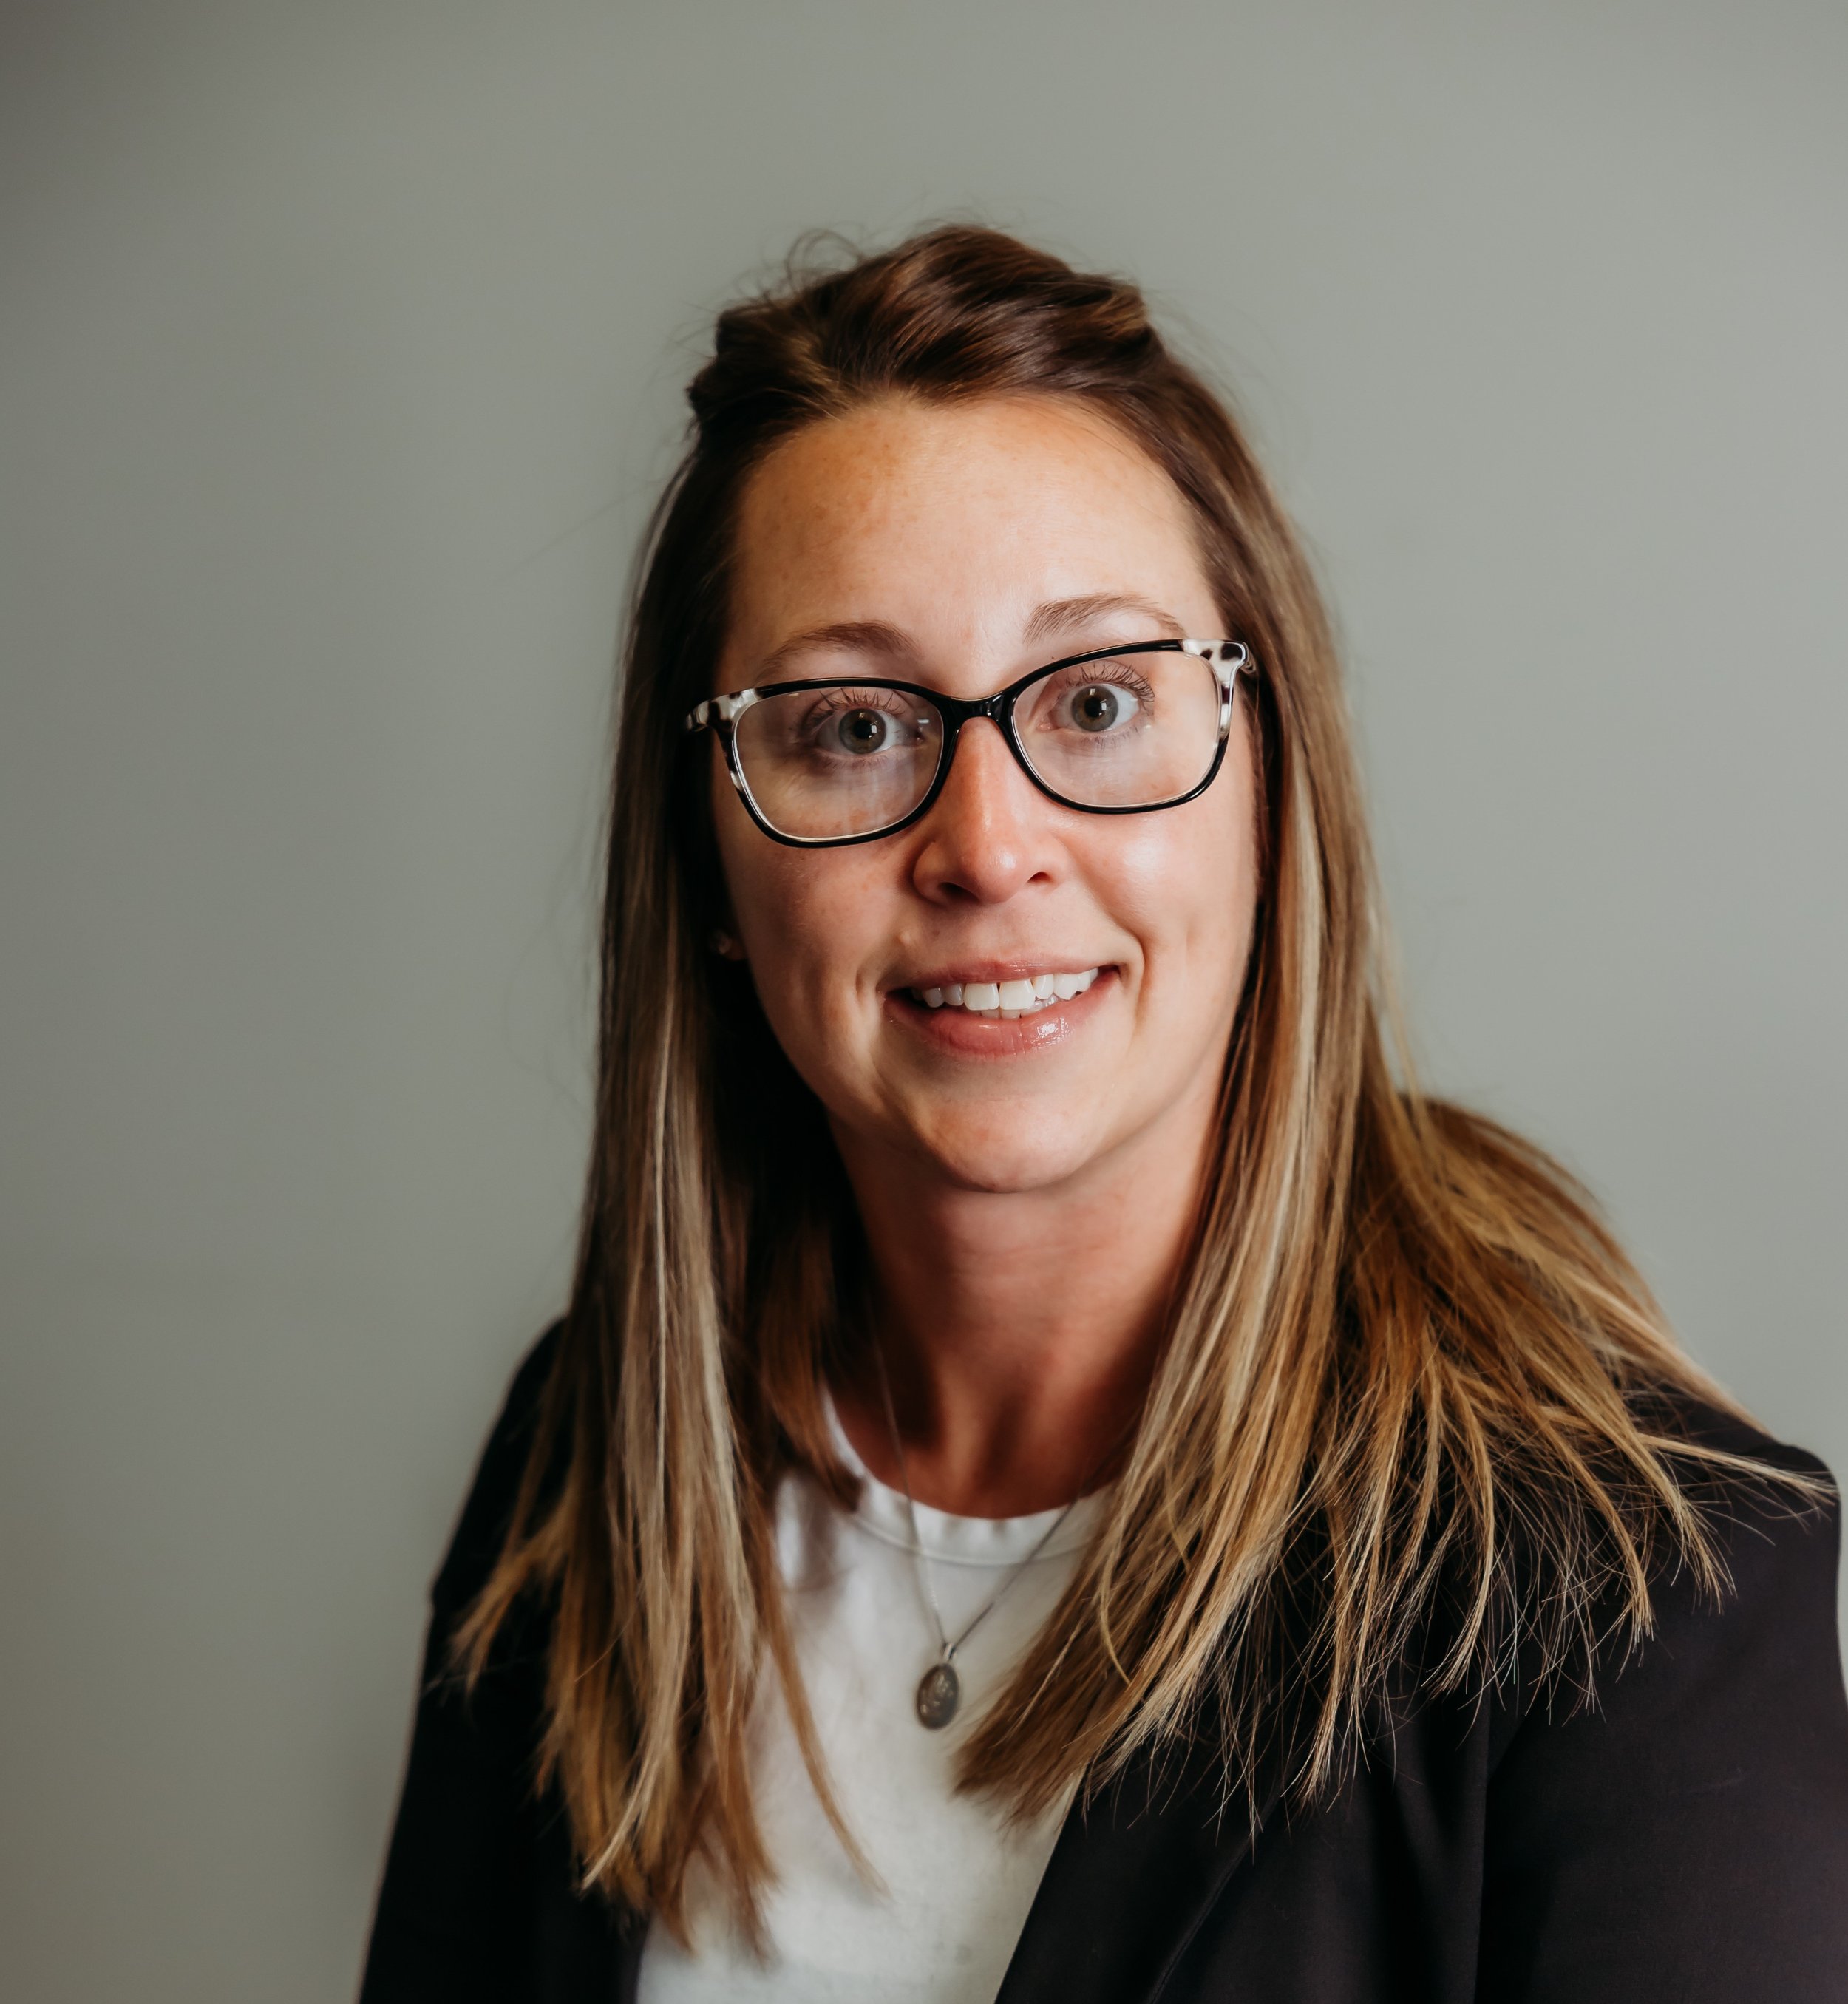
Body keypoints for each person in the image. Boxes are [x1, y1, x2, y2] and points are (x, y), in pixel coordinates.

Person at [357, 227, 1848, 2003]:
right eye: (848, 724)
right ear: (704, 842)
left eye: (1098, 699)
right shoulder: (588, 1459)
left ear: (1267, 782)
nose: (986, 846)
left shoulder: (1628, 1593)